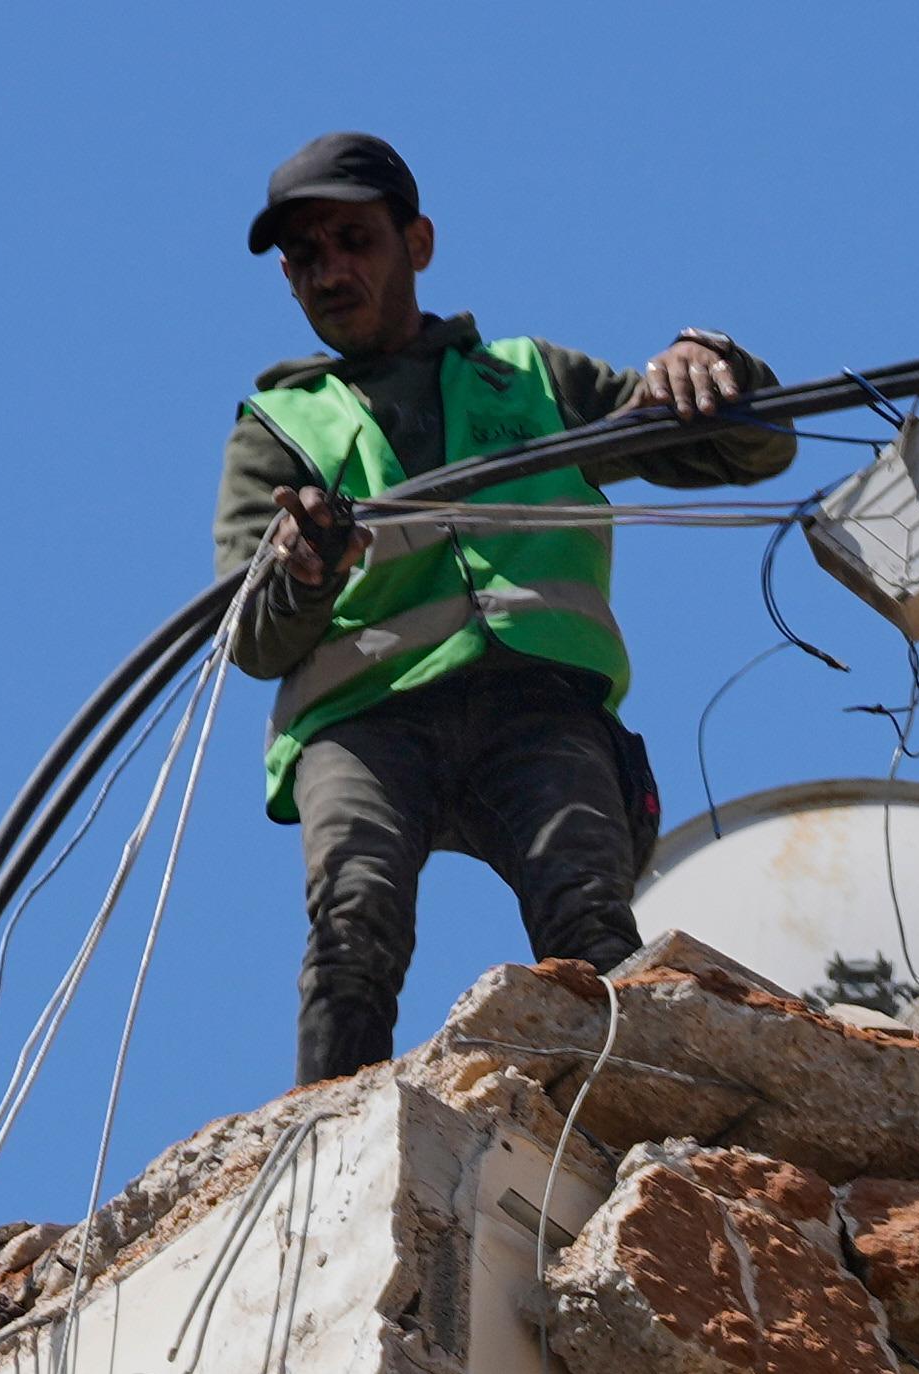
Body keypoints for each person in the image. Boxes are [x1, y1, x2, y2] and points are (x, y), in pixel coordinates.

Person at [219, 131, 794, 1084]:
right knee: (353, 918)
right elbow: (251, 638)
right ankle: (320, 1139)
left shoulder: (528, 381)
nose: (329, 271)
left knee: (587, 912)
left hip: (535, 704)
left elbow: (749, 451)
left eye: (352, 241)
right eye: (305, 257)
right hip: (365, 724)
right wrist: (303, 569)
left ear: (419, 243)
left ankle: (629, 1106)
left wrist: (716, 364)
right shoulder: (281, 428)